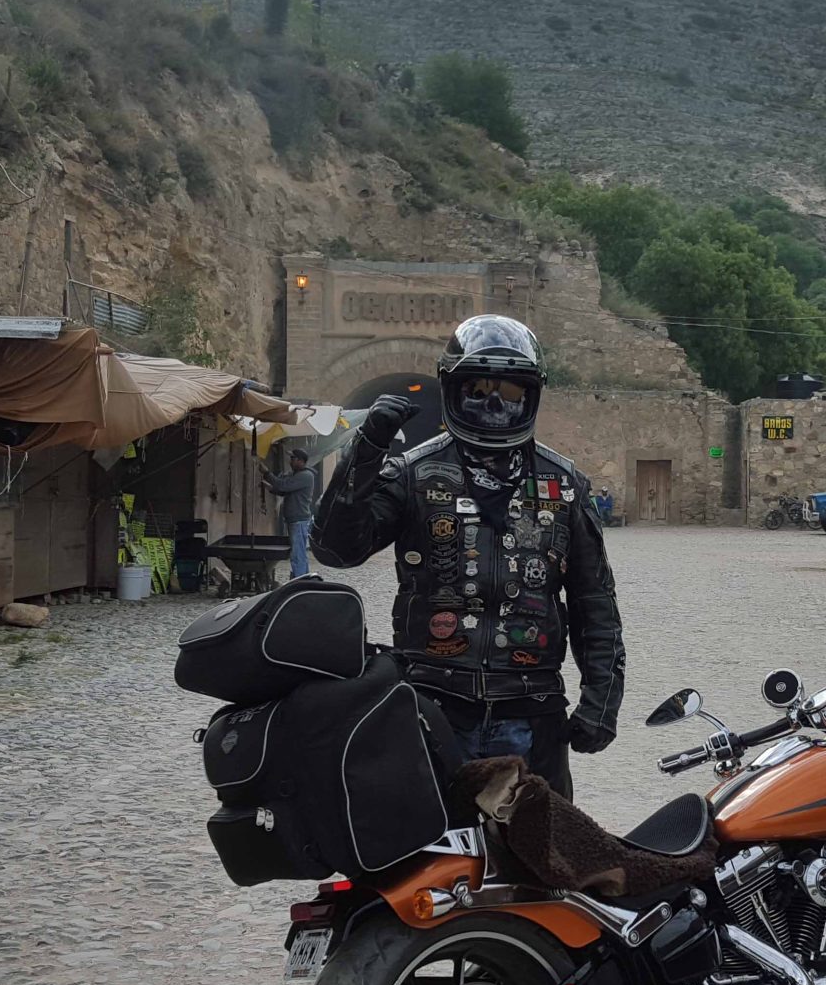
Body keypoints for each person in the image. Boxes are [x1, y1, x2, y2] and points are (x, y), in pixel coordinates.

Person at [312, 315, 624, 797]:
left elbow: (594, 602)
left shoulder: (564, 485)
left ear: (532, 394)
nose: (495, 403)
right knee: (422, 855)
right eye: (478, 388)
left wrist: (601, 701)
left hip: (530, 705)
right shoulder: (413, 473)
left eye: (511, 391)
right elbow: (335, 549)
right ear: (452, 389)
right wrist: (366, 449)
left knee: (539, 860)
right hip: (434, 704)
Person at [263, 447, 320, 580]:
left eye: (293, 459)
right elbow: (284, 490)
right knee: (298, 552)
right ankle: (303, 579)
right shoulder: (297, 475)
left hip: (299, 520)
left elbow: (284, 485)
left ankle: (300, 580)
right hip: (294, 519)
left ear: (301, 461)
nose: (290, 461)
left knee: (298, 554)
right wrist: (271, 488)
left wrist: (267, 473)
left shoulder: (305, 476)